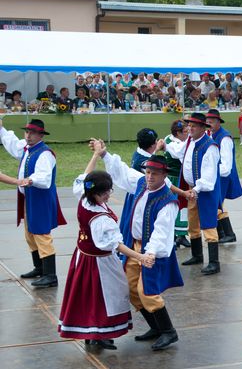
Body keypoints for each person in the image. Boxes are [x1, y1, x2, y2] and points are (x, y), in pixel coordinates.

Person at [95, 141, 185, 351]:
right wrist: (105, 155)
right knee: (131, 288)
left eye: (154, 173)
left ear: (164, 176)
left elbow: (161, 232)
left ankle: (169, 331)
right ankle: (155, 327)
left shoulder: (168, 201)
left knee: (147, 291)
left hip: (153, 251)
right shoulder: (141, 183)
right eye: (148, 172)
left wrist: (149, 253)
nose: (149, 176)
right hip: (134, 247)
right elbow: (123, 172)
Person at [58, 153, 152, 350]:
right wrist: (140, 257)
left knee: (88, 296)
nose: (109, 195)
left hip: (82, 257)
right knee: (103, 296)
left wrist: (95, 155)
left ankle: (92, 335)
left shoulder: (84, 197)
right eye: (106, 192)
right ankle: (98, 333)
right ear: (97, 194)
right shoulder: (101, 219)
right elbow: (116, 245)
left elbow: (85, 176)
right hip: (99, 263)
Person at [0, 118, 66, 288]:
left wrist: (29, 180)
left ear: (40, 135)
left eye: (32, 133)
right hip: (29, 198)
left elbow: (44, 177)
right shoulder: (26, 148)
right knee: (30, 233)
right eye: (27, 132)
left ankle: (50, 275)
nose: (28, 136)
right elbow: (12, 144)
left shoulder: (45, 153)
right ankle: (39, 268)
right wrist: (1, 130)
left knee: (42, 234)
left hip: (40, 198)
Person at [166, 113, 222, 275]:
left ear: (203, 128)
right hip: (192, 189)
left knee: (209, 224)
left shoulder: (210, 147)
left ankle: (214, 262)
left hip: (205, 191)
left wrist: (195, 190)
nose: (190, 128)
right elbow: (179, 152)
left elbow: (209, 177)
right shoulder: (190, 140)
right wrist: (166, 146)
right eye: (189, 125)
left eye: (194, 126)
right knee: (192, 223)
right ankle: (197, 255)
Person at [119, 128, 162, 257]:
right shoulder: (145, 162)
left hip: (132, 194)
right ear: (153, 144)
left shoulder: (138, 154)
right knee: (139, 225)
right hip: (139, 196)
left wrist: (156, 149)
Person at [207, 109, 242, 244]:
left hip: (223, 176)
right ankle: (223, 233)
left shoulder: (225, 138)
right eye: (207, 122)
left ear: (218, 122)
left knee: (217, 204)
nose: (208, 125)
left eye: (211, 122)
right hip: (217, 175)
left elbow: (226, 165)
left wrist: (213, 172)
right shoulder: (212, 135)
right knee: (217, 204)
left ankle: (228, 233)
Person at [164, 120, 190, 248]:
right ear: (178, 133)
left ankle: (179, 235)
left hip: (176, 178)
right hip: (176, 179)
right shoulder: (176, 144)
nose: (188, 133)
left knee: (180, 207)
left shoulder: (168, 139)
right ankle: (179, 235)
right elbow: (183, 158)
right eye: (185, 132)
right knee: (179, 207)